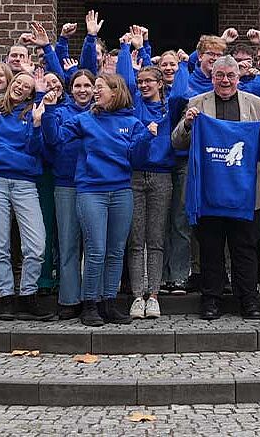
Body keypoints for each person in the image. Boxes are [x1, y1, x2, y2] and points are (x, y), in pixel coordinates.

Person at [172, 55, 260, 321]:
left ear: (238, 78)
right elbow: (177, 142)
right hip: (210, 192)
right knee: (211, 249)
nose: (225, 80)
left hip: (246, 194)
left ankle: (249, 300)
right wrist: (187, 123)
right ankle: (211, 300)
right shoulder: (197, 104)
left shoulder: (256, 104)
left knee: (244, 249)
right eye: (220, 75)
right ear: (212, 77)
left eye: (231, 75)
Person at [44, 73, 155, 327]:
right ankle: (90, 304)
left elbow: (137, 160)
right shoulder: (85, 120)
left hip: (121, 191)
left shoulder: (132, 122)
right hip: (91, 191)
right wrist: (49, 111)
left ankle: (109, 302)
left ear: (115, 92)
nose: (95, 91)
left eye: (100, 87)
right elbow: (55, 139)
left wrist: (147, 137)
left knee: (116, 251)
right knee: (96, 250)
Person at [0, 59, 53, 322]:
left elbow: (37, 150)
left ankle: (28, 294)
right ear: (10, 84)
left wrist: (38, 126)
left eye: (26, 86)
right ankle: (6, 296)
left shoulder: (33, 113)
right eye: (17, 82)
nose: (20, 87)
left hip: (25, 182)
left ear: (31, 93)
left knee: (36, 245)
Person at [118, 26, 174, 319]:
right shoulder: (133, 105)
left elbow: (181, 86)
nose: (143, 85)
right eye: (140, 81)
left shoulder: (168, 108)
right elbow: (124, 78)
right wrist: (130, 48)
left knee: (156, 238)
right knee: (135, 238)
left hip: (162, 176)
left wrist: (149, 47)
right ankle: (137, 294)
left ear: (160, 83)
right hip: (134, 176)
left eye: (149, 81)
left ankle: (154, 294)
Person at [44, 70, 96, 319]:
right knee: (68, 243)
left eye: (87, 85)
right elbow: (52, 139)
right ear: (70, 88)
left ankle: (91, 298)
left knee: (94, 245)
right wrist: (50, 111)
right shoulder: (61, 111)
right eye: (78, 85)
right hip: (66, 183)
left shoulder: (101, 112)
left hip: (95, 184)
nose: (83, 90)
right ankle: (69, 298)